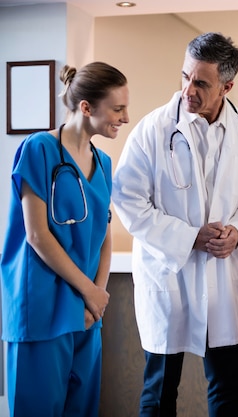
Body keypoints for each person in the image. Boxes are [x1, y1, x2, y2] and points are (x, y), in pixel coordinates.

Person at [111, 32, 238, 417]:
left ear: (227, 86)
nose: (188, 90)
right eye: (185, 76)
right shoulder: (153, 130)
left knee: (227, 392)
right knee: (160, 394)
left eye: (201, 82)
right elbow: (127, 199)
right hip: (167, 275)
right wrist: (189, 238)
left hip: (220, 278)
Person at [1, 62, 129, 417]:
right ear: (86, 107)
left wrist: (96, 299)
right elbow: (37, 235)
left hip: (87, 313)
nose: (125, 117)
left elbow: (104, 237)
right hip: (41, 308)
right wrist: (90, 292)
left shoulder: (103, 162)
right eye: (118, 108)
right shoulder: (39, 149)